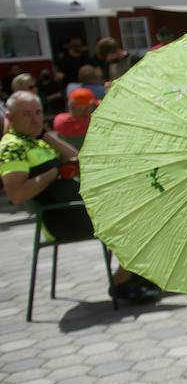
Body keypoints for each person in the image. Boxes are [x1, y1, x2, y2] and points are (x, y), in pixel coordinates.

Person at [1, 90, 155, 301]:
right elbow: (17, 194)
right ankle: (123, 280)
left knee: (142, 204)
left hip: (76, 209)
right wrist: (55, 172)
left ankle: (136, 273)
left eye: (38, 112)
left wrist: (45, 134)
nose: (35, 118)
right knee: (138, 214)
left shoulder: (35, 140)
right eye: (27, 114)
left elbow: (78, 160)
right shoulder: (12, 147)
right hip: (62, 218)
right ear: (10, 117)